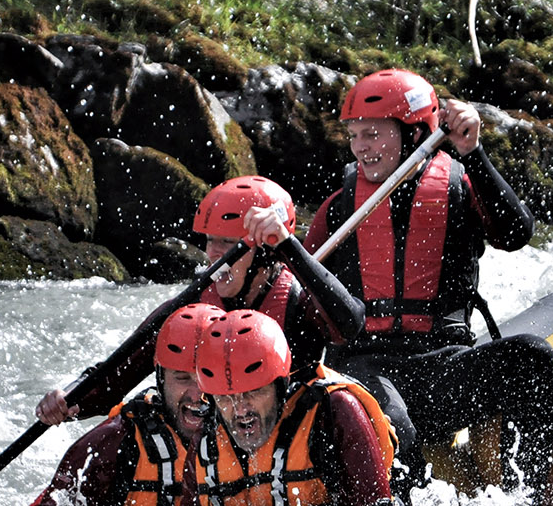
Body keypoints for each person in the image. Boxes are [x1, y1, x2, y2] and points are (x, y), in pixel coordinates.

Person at [304, 68, 553, 506]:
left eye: (373, 134)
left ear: (414, 132)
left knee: (532, 358)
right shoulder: (341, 204)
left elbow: (517, 233)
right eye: (354, 135)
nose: (360, 147)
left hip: (441, 365)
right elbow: (301, 292)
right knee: (394, 421)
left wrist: (473, 153)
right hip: (365, 370)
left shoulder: (460, 185)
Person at [34, 175, 364, 425]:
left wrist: (289, 246)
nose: (213, 255)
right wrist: (70, 398)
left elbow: (350, 324)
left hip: (286, 441)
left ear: (265, 253)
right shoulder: (192, 305)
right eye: (209, 242)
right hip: (216, 452)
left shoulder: (298, 302)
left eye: (227, 244)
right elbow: (120, 368)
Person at [171, 309, 394, 506]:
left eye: (253, 392)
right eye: (225, 398)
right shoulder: (205, 441)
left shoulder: (333, 413)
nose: (241, 410)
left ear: (281, 384)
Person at [16, 303, 221, 506]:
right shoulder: (116, 442)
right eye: (182, 378)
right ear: (160, 376)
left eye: (207, 377)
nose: (197, 394)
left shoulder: (246, 439)